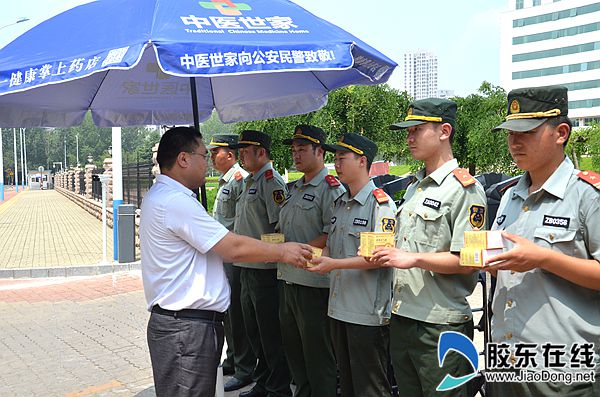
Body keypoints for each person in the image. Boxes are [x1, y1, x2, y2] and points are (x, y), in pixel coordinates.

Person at [140, 126, 313, 397]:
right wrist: (284, 252)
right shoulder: (174, 201)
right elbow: (231, 247)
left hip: (185, 326)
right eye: (203, 155)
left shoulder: (164, 196)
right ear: (183, 159)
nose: (207, 162)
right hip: (187, 330)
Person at [486, 85, 600, 396]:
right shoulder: (510, 196)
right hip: (506, 361)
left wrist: (543, 258)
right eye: (510, 133)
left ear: (561, 132)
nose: (514, 142)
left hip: (563, 370)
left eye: (526, 132)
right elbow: (506, 268)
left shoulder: (587, 196)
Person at [371, 98, 487, 397]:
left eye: (417, 130)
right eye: (407, 131)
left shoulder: (466, 190)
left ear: (444, 131)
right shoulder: (414, 187)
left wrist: (412, 258)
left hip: (440, 325)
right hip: (404, 317)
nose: (409, 138)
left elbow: (471, 261)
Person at [309, 133, 397, 397]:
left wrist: (332, 264)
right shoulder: (341, 203)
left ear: (362, 161)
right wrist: (308, 254)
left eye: (341, 158)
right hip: (339, 308)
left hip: (366, 313)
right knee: (346, 385)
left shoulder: (379, 204)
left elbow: (379, 257)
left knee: (370, 388)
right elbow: (333, 249)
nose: (336, 164)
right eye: (334, 158)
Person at [277, 125, 345, 397]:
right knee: (295, 353)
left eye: (302, 149)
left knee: (318, 356)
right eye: (293, 150)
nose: (296, 155)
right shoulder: (294, 188)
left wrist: (295, 250)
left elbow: (332, 234)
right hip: (287, 279)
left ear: (320, 152)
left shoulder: (330, 189)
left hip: (313, 283)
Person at [232, 130, 291, 397]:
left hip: (265, 271)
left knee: (270, 334)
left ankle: (277, 386)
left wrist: (265, 251)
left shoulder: (271, 181)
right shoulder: (250, 181)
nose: (241, 154)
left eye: (246, 150)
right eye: (240, 151)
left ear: (262, 153)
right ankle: (264, 380)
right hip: (248, 268)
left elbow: (280, 227)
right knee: (254, 330)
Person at [208, 134, 255, 392]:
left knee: (237, 312)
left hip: (235, 255)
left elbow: (240, 222)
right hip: (223, 255)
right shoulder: (227, 180)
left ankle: (244, 366)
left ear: (230, 154)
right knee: (228, 310)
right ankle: (233, 358)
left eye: (217, 152)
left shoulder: (239, 180)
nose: (212, 156)